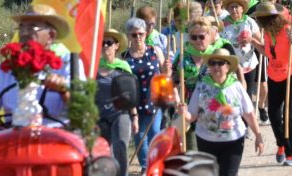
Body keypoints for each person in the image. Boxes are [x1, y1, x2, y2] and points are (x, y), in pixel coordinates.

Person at [0, 4, 85, 129]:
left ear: (51, 36)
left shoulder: (67, 62)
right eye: (21, 28)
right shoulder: (9, 65)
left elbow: (82, 109)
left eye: (31, 28)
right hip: (11, 136)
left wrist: (63, 90)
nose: (24, 33)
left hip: (55, 137)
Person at [177, 48, 264, 176]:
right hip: (206, 141)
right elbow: (193, 115)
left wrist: (258, 135)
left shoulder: (236, 86)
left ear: (228, 66)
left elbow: (249, 113)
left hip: (233, 140)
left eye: (220, 63)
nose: (216, 66)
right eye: (212, 63)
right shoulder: (201, 86)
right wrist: (184, 113)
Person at [172, 17, 240, 150]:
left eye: (201, 37)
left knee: (214, 152)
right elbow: (173, 81)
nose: (197, 40)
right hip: (190, 109)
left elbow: (230, 80)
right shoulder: (183, 56)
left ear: (210, 35)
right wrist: (177, 101)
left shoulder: (218, 55)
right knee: (192, 151)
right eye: (194, 37)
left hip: (214, 109)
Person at [252, 2, 292, 166]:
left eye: (264, 18)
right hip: (274, 75)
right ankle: (281, 143)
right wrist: (253, 42)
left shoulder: (288, 29)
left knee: (289, 114)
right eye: (261, 19)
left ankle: (291, 154)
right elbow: (267, 52)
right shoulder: (267, 32)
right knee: (274, 115)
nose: (262, 22)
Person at [121, 17, 167, 168]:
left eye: (140, 33)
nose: (138, 37)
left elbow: (164, 74)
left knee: (154, 133)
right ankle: (146, 166)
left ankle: (155, 165)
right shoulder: (124, 57)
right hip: (134, 101)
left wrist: (167, 67)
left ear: (146, 33)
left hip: (153, 99)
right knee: (140, 136)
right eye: (134, 35)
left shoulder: (155, 51)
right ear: (128, 36)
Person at [96, 29, 137, 176]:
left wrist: (134, 116)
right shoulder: (92, 67)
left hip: (120, 114)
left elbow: (130, 94)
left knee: (120, 147)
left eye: (109, 42)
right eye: (102, 43)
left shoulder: (123, 67)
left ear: (116, 46)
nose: (105, 46)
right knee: (101, 152)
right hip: (99, 116)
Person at [220, 0, 262, 111]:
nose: (234, 10)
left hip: (249, 64)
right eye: (231, 7)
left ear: (242, 8)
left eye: (236, 7)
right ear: (228, 9)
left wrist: (251, 39)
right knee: (234, 95)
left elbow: (261, 40)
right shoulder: (222, 23)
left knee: (247, 95)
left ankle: (246, 123)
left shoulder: (249, 21)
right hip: (231, 67)